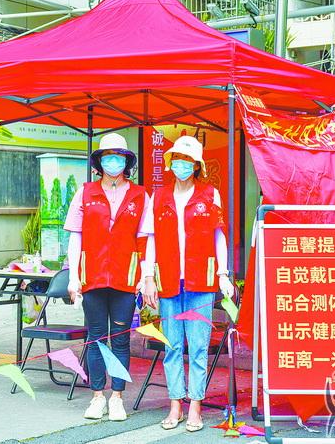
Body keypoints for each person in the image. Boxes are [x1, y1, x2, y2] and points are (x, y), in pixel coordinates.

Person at [140, 136, 234, 432]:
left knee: (198, 346)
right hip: (168, 280)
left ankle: (195, 405)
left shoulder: (210, 194)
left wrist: (223, 273)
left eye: (187, 160)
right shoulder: (159, 196)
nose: (181, 164)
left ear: (196, 165)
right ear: (170, 163)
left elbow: (219, 235)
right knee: (172, 346)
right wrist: (147, 277)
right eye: (177, 159)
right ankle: (175, 404)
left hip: (200, 281)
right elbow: (151, 239)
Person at [65, 133, 149, 421]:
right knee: (96, 338)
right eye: (107, 157)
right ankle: (97, 396)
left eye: (119, 157)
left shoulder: (140, 195)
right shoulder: (85, 193)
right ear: (99, 162)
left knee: (121, 341)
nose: (113, 162)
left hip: (126, 278)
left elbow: (145, 239)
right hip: (93, 277)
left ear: (127, 162)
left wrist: (145, 275)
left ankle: (117, 398)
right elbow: (75, 237)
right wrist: (73, 277)